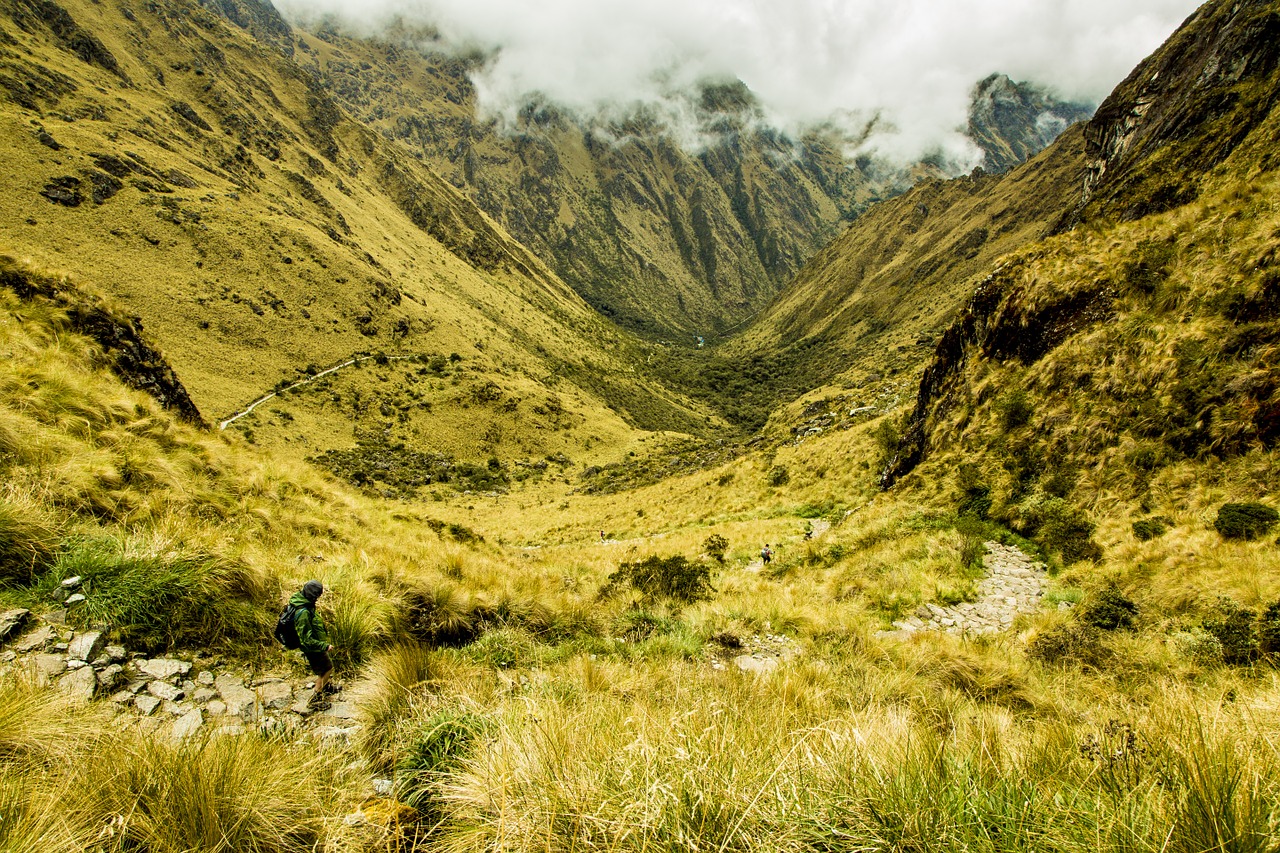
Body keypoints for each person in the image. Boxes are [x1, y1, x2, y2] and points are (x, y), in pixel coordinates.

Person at [291, 580, 336, 708]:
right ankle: (315, 698)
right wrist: (324, 646)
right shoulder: (303, 612)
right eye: (317, 596)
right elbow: (306, 639)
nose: (318, 598)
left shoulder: (304, 601)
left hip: (315, 644)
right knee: (326, 668)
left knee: (325, 667)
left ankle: (326, 686)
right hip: (312, 648)